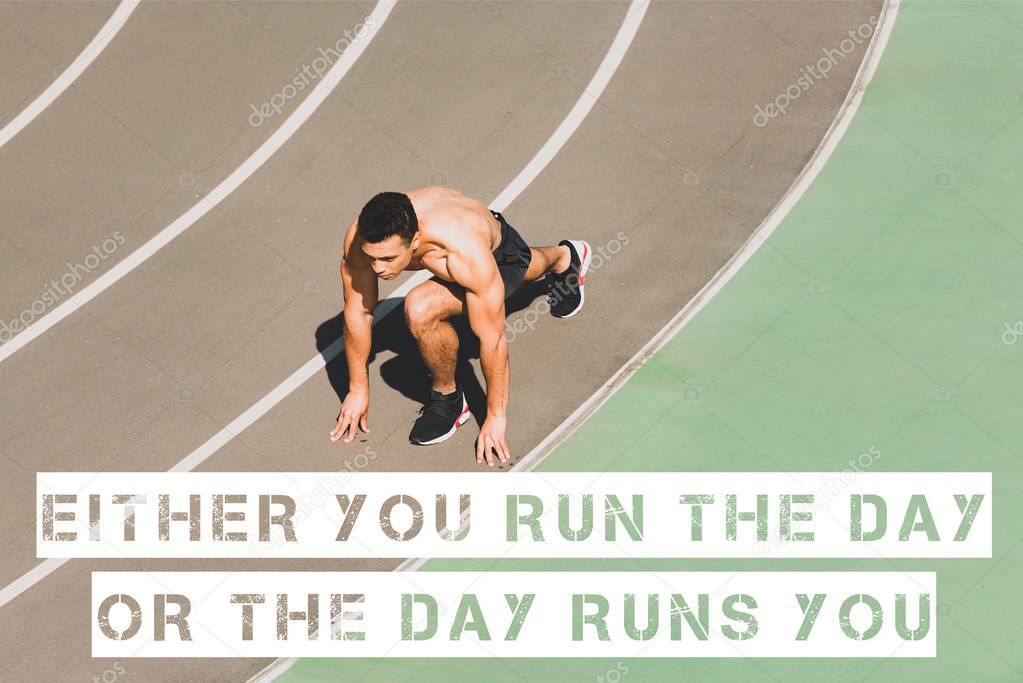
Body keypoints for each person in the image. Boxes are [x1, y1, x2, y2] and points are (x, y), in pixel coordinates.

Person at [329, 187, 591, 466]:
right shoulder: (360, 240)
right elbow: (358, 312)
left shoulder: (463, 250)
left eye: (388, 259)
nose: (378, 268)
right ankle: (450, 398)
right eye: (372, 258)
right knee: (434, 299)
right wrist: (358, 389)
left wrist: (495, 417)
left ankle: (565, 258)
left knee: (423, 306)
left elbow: (492, 339)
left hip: (495, 249)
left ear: (415, 240)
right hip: (459, 239)